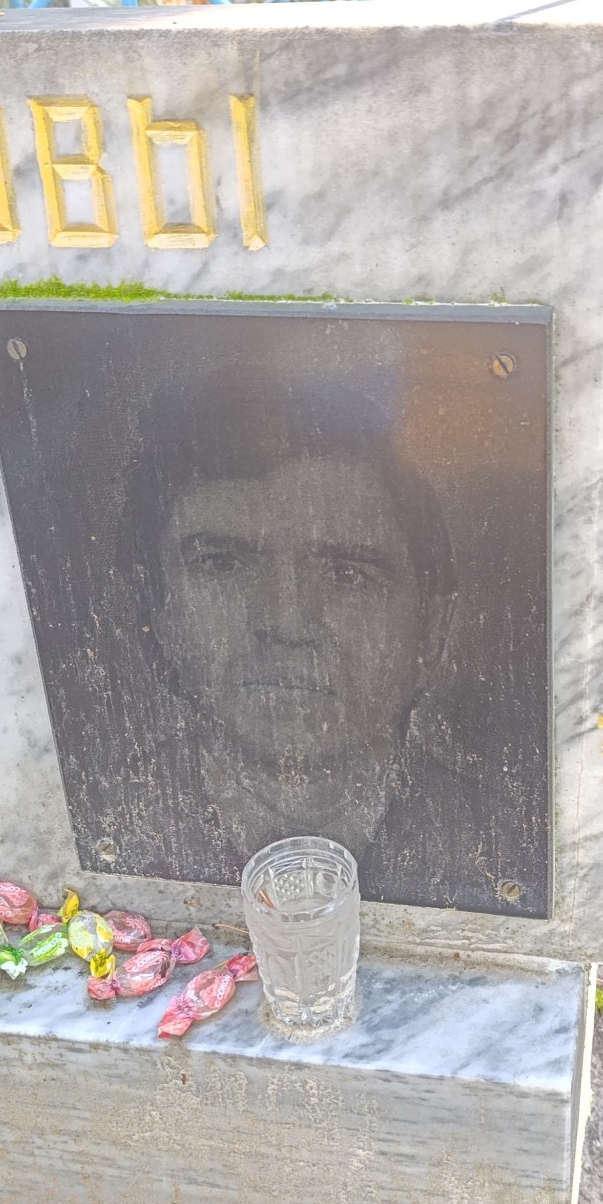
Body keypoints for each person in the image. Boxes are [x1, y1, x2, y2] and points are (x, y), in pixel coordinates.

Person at [110, 374, 498, 907]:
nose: (288, 625)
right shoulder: (109, 812)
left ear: (430, 628)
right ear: (152, 607)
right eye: (222, 564)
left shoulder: (499, 838)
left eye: (348, 575)